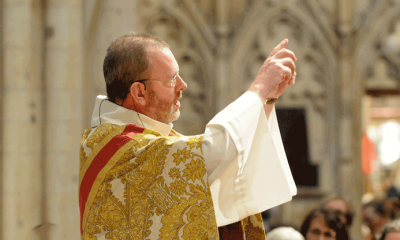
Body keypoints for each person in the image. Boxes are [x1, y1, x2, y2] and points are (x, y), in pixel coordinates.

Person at [79, 32, 297, 239]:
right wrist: (258, 89)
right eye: (171, 79)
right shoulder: (120, 147)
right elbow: (214, 152)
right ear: (139, 92)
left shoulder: (148, 140)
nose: (183, 86)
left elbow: (224, 179)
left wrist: (265, 102)